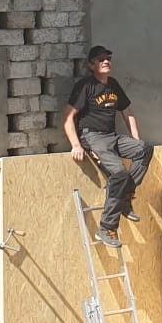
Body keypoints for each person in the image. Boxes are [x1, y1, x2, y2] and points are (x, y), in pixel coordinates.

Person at [64, 45, 151, 245]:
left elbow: (128, 113)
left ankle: (125, 197)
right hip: (92, 137)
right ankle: (106, 228)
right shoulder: (85, 86)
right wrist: (76, 145)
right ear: (91, 65)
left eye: (108, 58)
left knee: (144, 149)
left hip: (111, 136)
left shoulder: (113, 85)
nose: (106, 61)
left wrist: (136, 139)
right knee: (119, 174)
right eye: (101, 59)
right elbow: (67, 118)